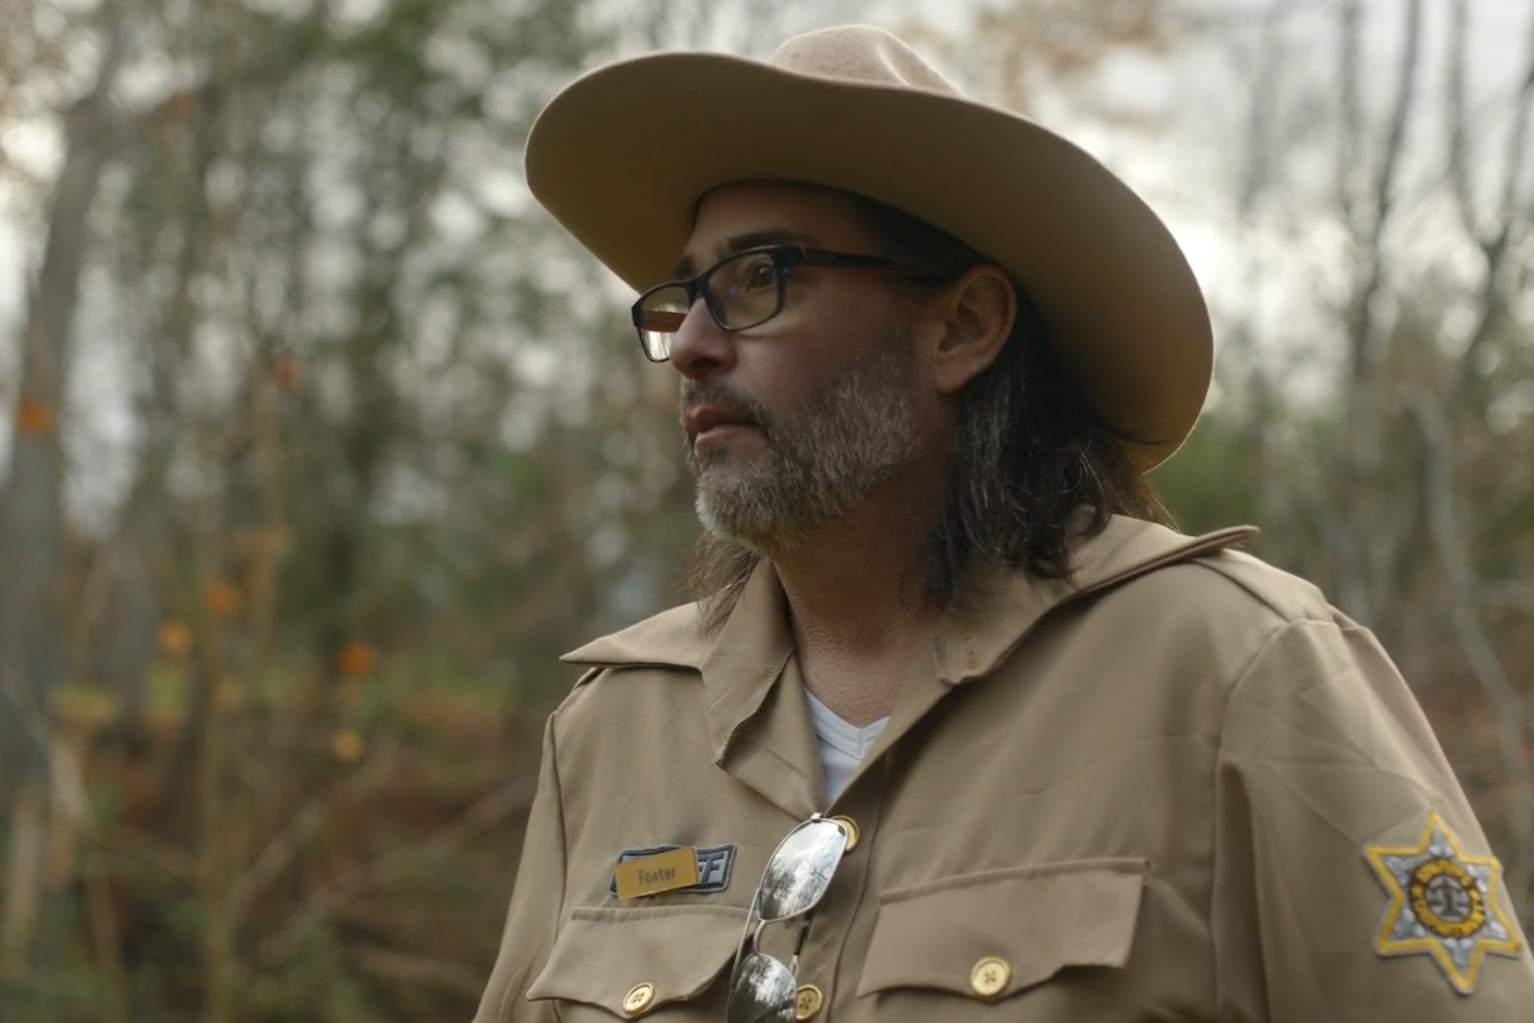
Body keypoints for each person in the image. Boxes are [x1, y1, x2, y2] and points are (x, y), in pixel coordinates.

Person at [474, 24, 1534, 1023]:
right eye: (685, 297)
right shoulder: (614, 727)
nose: (696, 346)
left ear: (962, 327)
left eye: (759, 279)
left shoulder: (1234, 667)